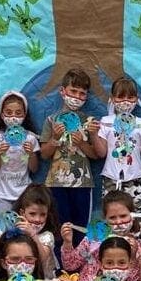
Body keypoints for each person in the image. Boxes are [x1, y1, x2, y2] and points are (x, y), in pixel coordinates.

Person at [39, 68, 100, 233]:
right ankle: (61, 258)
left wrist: (82, 144)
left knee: (80, 229)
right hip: (56, 182)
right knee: (60, 228)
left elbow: (96, 155)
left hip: (82, 183)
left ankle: (80, 257)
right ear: (62, 91)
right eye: (73, 91)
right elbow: (44, 154)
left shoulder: (88, 121)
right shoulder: (51, 120)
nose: (77, 97)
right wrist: (55, 138)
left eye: (82, 93)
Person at [90, 75, 141, 212]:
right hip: (111, 178)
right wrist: (93, 135)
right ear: (112, 98)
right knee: (111, 219)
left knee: (136, 219)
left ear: (137, 98)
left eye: (130, 97)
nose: (125, 101)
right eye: (121, 97)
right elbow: (101, 153)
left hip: (135, 179)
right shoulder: (106, 121)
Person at [0, 184, 60, 279]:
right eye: (32, 214)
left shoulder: (46, 236)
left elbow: (42, 258)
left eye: (43, 214)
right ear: (22, 213)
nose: (37, 219)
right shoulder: (10, 230)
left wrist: (32, 234)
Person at [61, 190, 141, 281]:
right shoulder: (93, 239)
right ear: (105, 219)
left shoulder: (136, 246)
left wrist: (133, 257)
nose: (118, 221)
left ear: (133, 216)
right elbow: (70, 265)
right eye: (112, 218)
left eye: (123, 216)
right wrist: (67, 243)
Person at [0, 90, 40, 214]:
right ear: (2, 115)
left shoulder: (30, 138)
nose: (13, 117)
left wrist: (31, 154)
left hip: (24, 193)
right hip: (2, 193)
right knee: (5, 228)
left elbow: (34, 169)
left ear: (24, 115)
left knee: (23, 227)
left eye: (18, 113)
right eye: (8, 113)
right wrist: (0, 153)